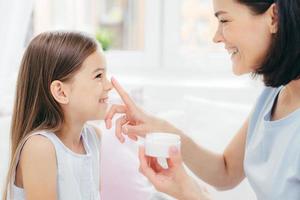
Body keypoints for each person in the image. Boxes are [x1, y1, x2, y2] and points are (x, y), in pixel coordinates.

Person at [105, 0, 300, 199]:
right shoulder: (273, 94)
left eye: (224, 20)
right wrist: (156, 126)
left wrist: (194, 195)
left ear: (274, 17)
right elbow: (226, 171)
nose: (216, 37)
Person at [3, 31, 112, 200]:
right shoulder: (40, 148)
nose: (109, 85)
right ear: (61, 92)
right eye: (98, 76)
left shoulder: (93, 137)